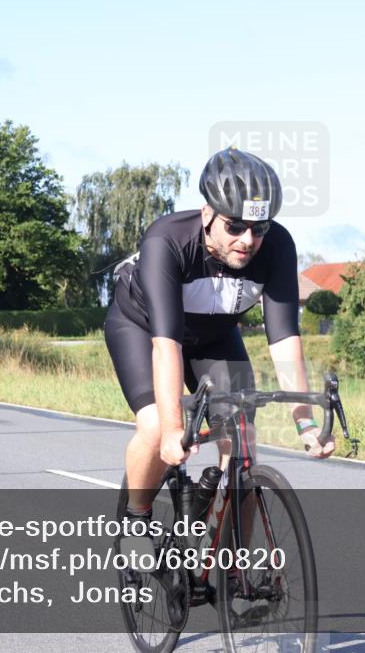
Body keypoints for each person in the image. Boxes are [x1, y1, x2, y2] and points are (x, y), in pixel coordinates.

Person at [105, 147, 335, 521]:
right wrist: (173, 429)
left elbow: (284, 340)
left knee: (242, 445)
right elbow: (167, 346)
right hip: (144, 329)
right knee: (154, 425)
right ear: (207, 213)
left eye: (259, 228)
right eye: (235, 226)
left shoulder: (277, 246)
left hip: (214, 337)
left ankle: (232, 567)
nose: (247, 240)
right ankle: (137, 518)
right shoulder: (167, 241)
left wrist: (305, 422)